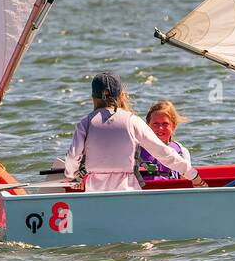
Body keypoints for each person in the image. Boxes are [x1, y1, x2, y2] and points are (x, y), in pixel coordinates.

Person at [62, 73, 207, 192]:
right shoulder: (132, 121)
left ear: (93, 97)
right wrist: (193, 176)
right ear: (121, 94)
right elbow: (163, 152)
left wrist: (73, 177)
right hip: (127, 189)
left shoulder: (85, 123)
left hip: (95, 190)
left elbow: (73, 157)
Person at [135, 100, 192, 183]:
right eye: (156, 124)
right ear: (147, 125)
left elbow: (186, 181)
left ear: (174, 125)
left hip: (169, 192)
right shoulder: (136, 150)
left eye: (165, 124)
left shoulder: (182, 152)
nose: (160, 128)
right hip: (143, 192)